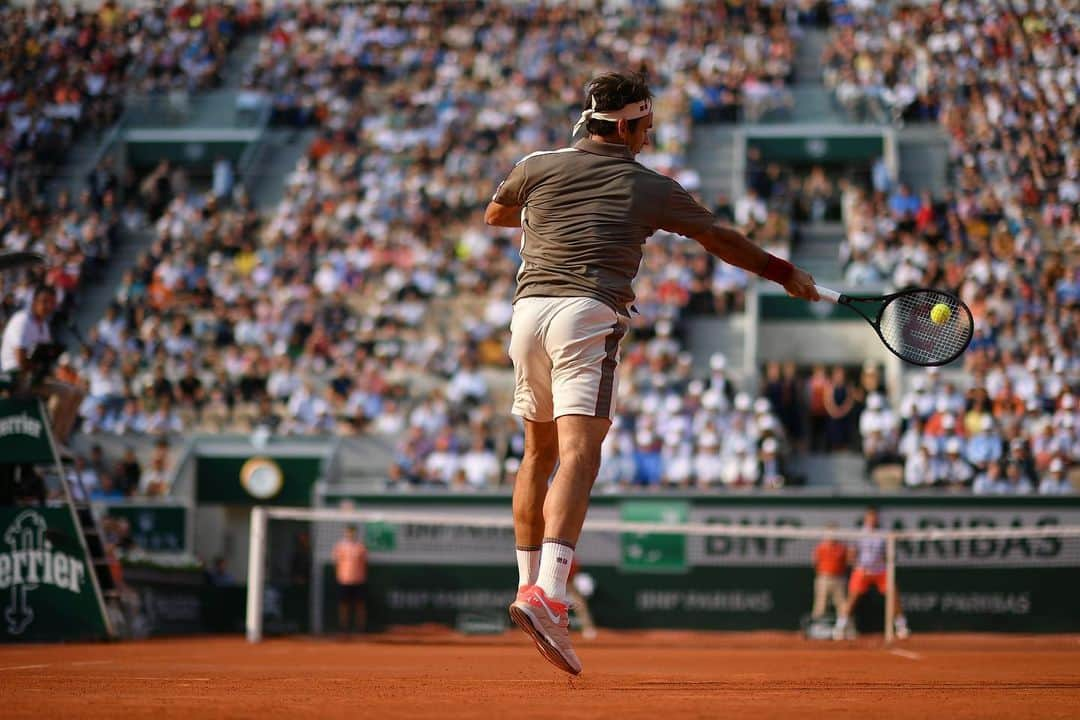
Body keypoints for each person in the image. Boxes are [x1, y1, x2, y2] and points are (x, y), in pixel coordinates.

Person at [486, 72, 820, 674]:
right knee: (580, 454)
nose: (650, 136)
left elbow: (497, 213)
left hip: (526, 314)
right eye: (645, 126)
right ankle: (552, 596)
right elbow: (719, 239)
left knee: (536, 454)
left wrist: (558, 212)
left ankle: (526, 586)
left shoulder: (537, 163)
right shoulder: (650, 185)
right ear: (624, 126)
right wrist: (784, 273)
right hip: (585, 311)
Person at [0, 285, 83, 443]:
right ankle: (48, 440)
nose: (48, 307)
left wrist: (47, 370)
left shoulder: (43, 325)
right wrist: (40, 369)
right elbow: (21, 361)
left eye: (52, 303)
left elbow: (44, 356)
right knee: (64, 393)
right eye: (44, 302)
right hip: (14, 377)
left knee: (77, 391)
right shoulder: (22, 320)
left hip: (33, 376)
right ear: (34, 301)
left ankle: (60, 439)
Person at [834, 507, 909, 640]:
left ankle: (901, 627)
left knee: (893, 596)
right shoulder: (859, 533)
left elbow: (890, 553)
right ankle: (840, 628)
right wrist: (857, 564)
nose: (872, 520)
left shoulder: (884, 533)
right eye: (870, 517)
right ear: (866, 518)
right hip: (862, 571)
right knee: (852, 599)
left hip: (881, 571)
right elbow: (851, 554)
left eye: (874, 517)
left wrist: (887, 560)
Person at [333, 525, 368, 635]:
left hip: (358, 580)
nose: (350, 534)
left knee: (360, 605)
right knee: (343, 605)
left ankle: (360, 628)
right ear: (345, 533)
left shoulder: (360, 546)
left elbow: (365, 562)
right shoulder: (340, 546)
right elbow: (337, 561)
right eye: (348, 532)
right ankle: (343, 628)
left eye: (352, 532)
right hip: (344, 580)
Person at [811, 523, 848, 621]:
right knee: (820, 605)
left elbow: (846, 562)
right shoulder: (820, 548)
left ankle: (844, 628)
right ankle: (815, 627)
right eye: (829, 533)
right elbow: (815, 563)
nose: (832, 535)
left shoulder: (842, 548)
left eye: (834, 533)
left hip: (839, 579)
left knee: (842, 605)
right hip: (824, 578)